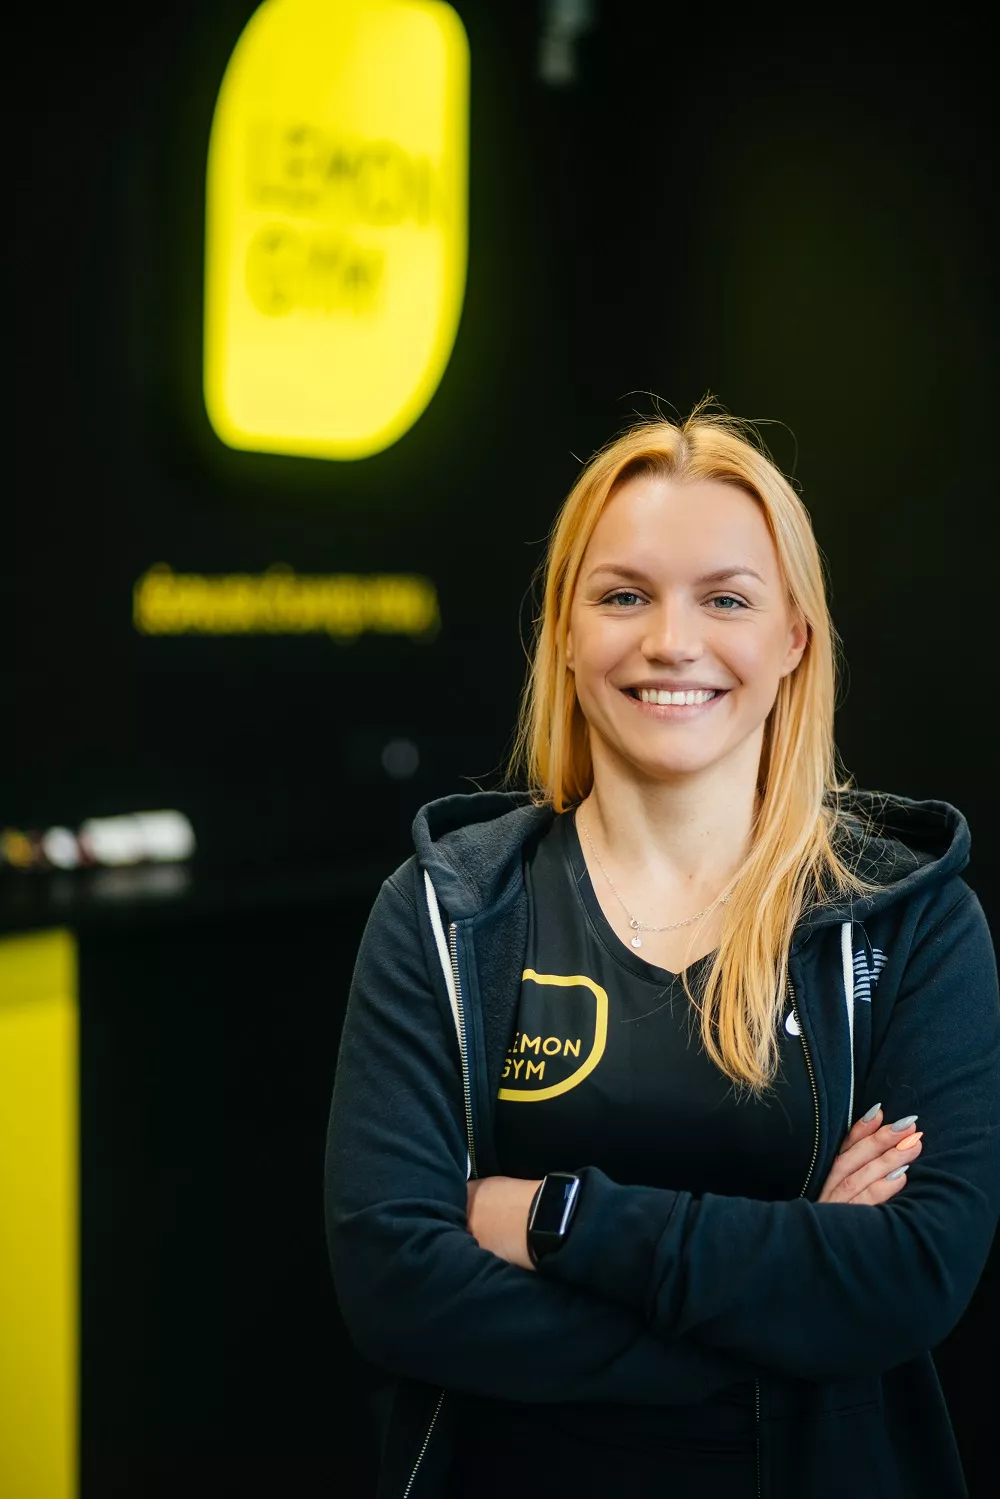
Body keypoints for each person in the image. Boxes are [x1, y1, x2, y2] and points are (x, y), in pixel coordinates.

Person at [324, 406, 1000, 1499]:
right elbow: (397, 1285)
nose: (670, 641)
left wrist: (551, 1217)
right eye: (623, 595)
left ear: (793, 639)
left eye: (725, 599)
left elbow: (908, 1274)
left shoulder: (907, 921)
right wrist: (783, 1298)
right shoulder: (449, 913)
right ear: (563, 629)